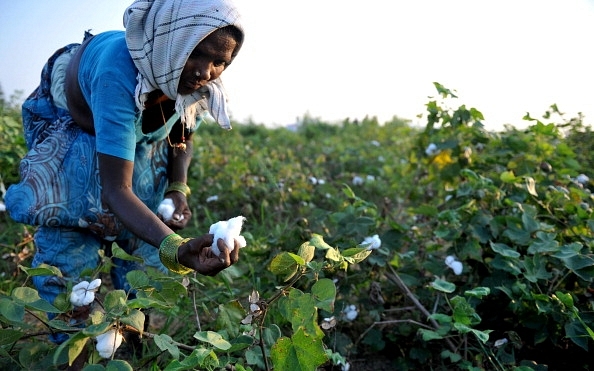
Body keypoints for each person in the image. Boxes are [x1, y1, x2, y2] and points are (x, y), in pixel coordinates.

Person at [5, 0, 244, 335]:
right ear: (169, 38)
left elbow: (181, 134)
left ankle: (132, 336)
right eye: (197, 53)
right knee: (70, 261)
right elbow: (116, 190)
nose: (206, 71)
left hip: (136, 140)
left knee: (144, 251)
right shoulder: (118, 72)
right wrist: (178, 248)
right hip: (78, 131)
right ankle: (69, 343)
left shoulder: (196, 83)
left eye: (220, 61)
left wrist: (178, 188)